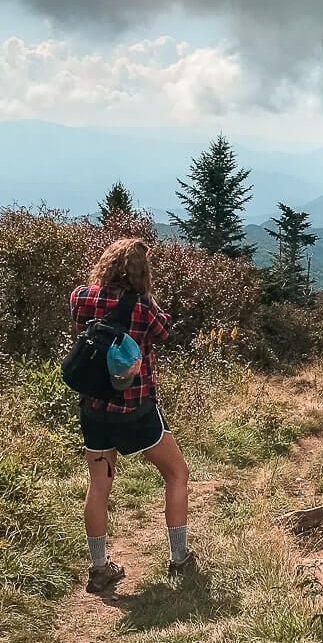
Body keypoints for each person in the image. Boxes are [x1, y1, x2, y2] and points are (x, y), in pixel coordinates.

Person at [69, 237, 195, 594]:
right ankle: (179, 557)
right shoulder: (142, 307)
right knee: (176, 473)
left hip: (93, 410)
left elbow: (80, 319)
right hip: (135, 409)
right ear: (143, 273)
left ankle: (98, 568)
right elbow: (165, 331)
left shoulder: (82, 297)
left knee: (98, 487)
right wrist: (146, 297)